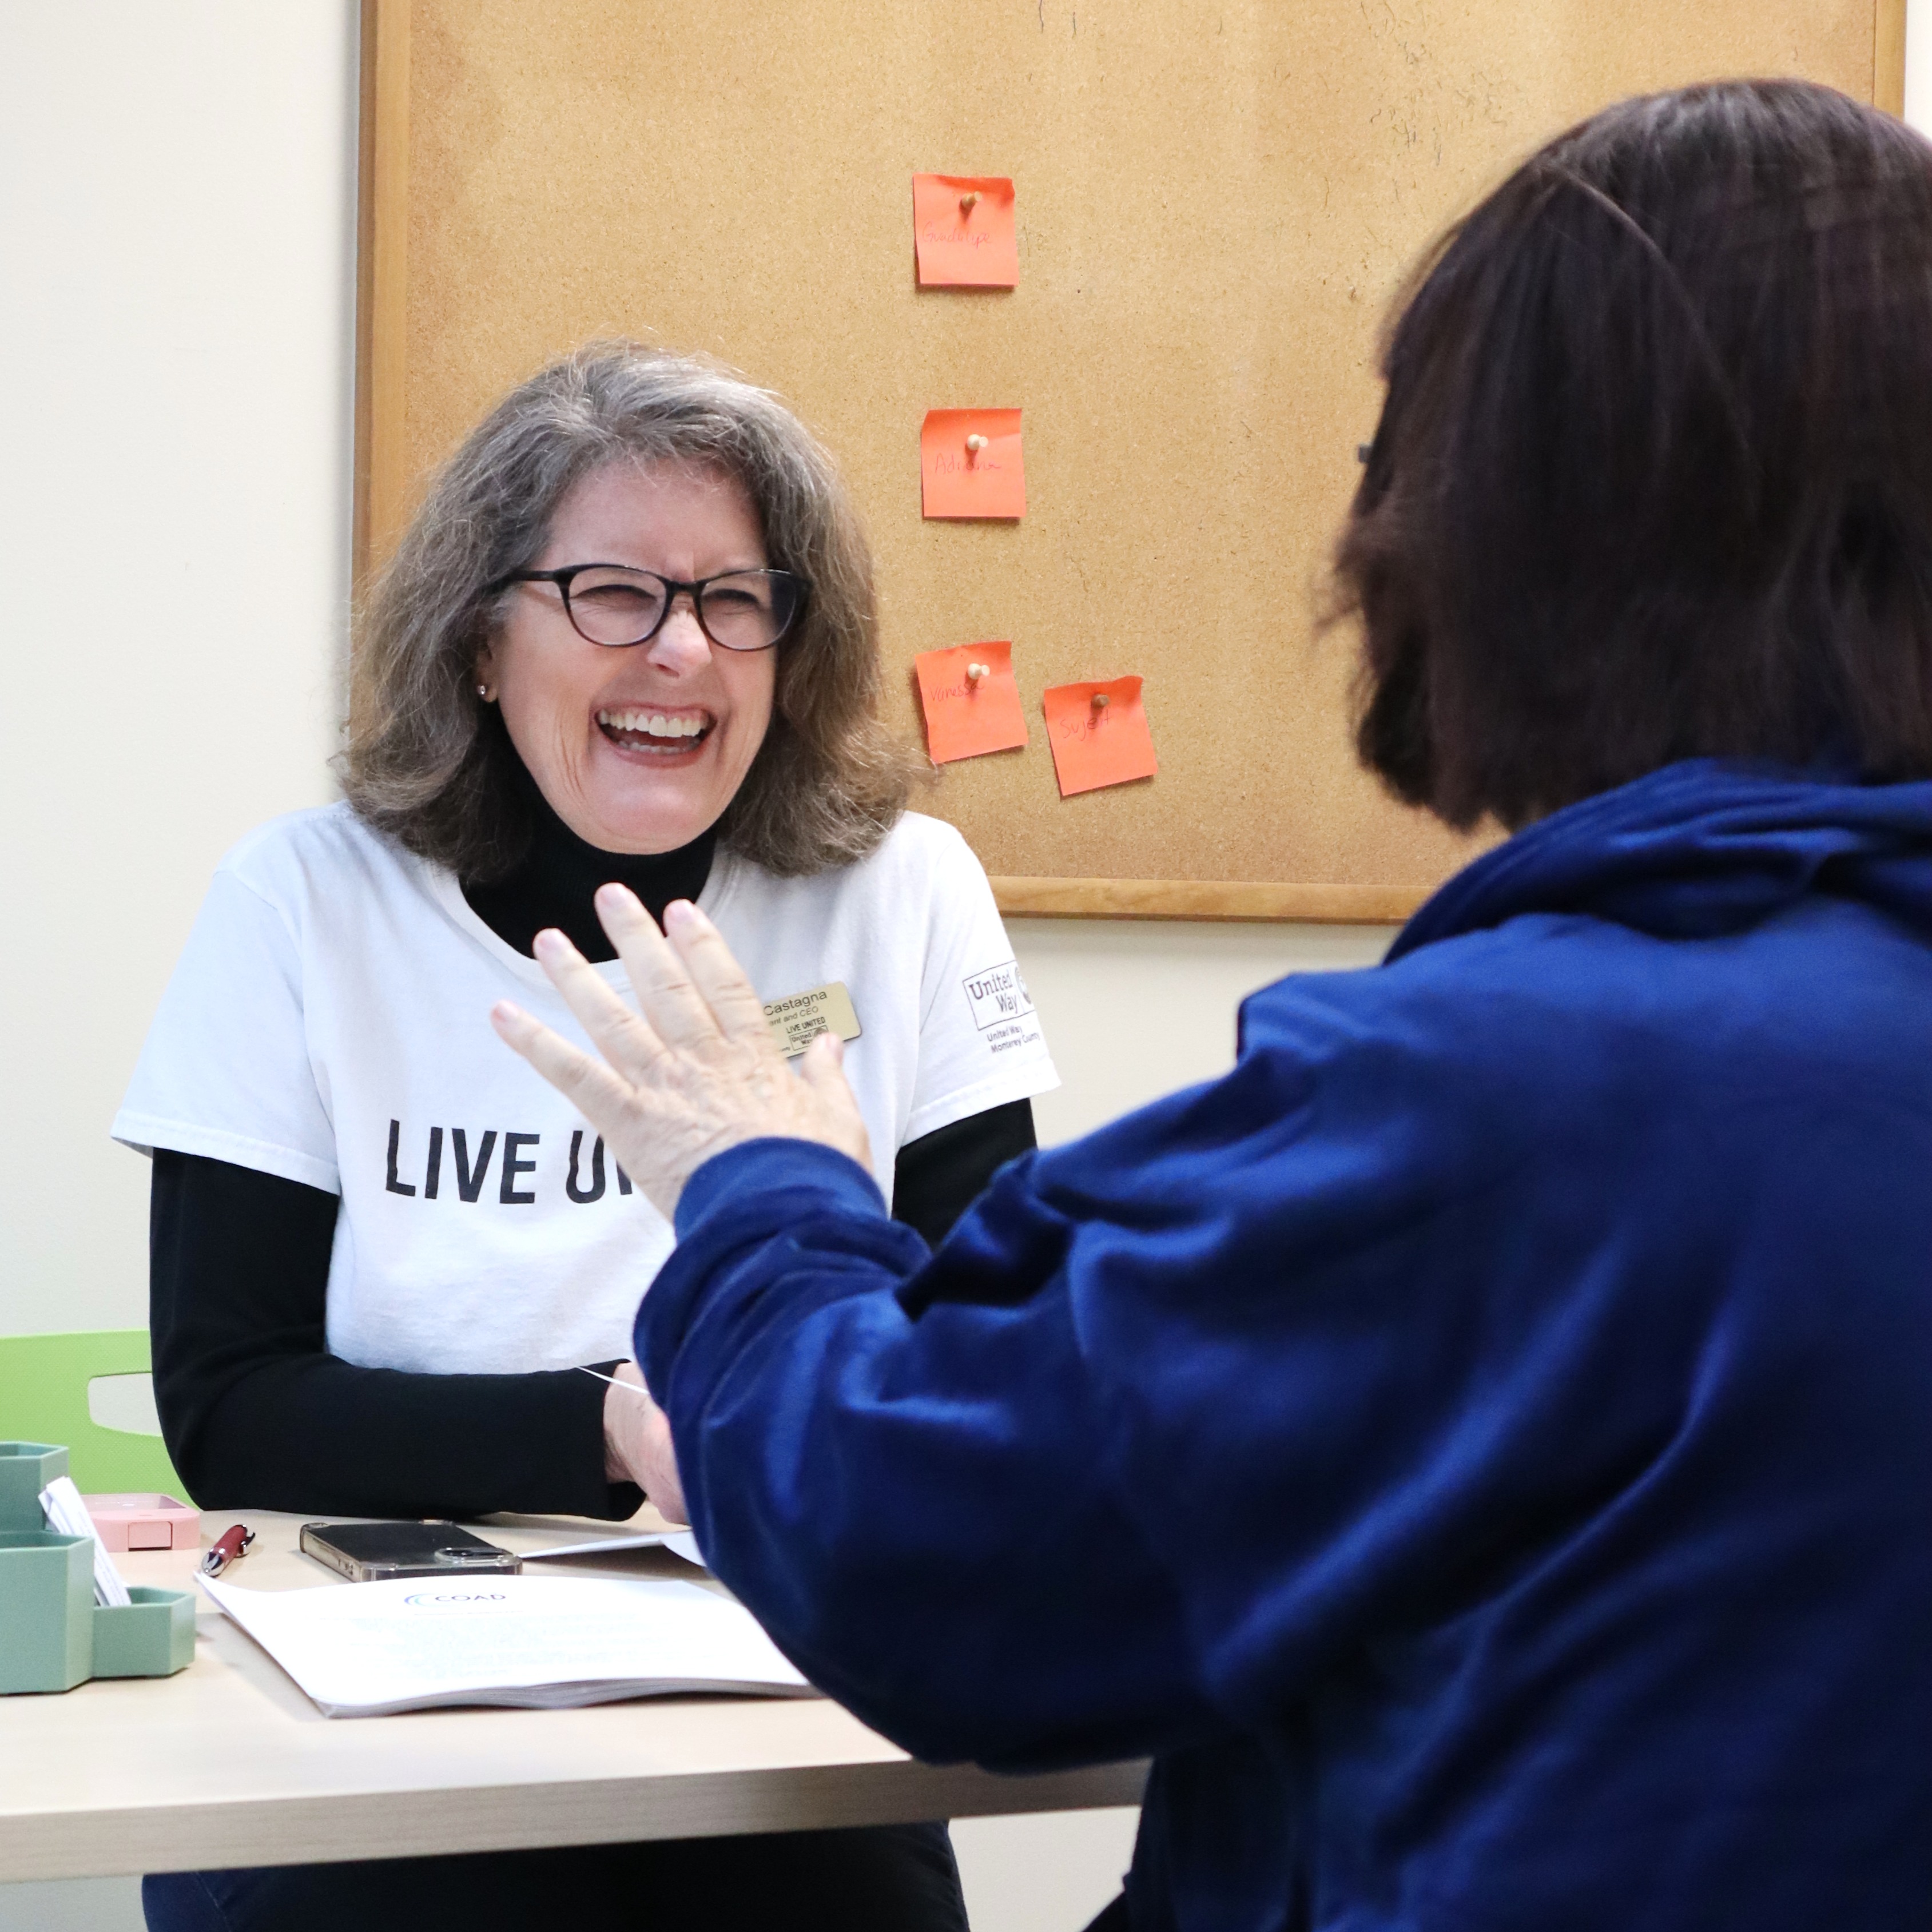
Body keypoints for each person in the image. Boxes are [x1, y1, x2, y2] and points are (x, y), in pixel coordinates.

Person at [490, 82, 1932, 1932]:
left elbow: (927, 1553)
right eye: (615, 593)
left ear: (1504, 531)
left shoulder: (1498, 1099)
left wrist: (759, 1183)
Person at [116, 344, 1058, 1930]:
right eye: (614, 592)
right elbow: (231, 1402)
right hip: (379, 1708)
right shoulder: (302, 901)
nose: (681, 649)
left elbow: (1003, 1341)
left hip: (781, 1703)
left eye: (735, 599)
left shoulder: (899, 891)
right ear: (482, 635)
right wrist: (616, 1431)